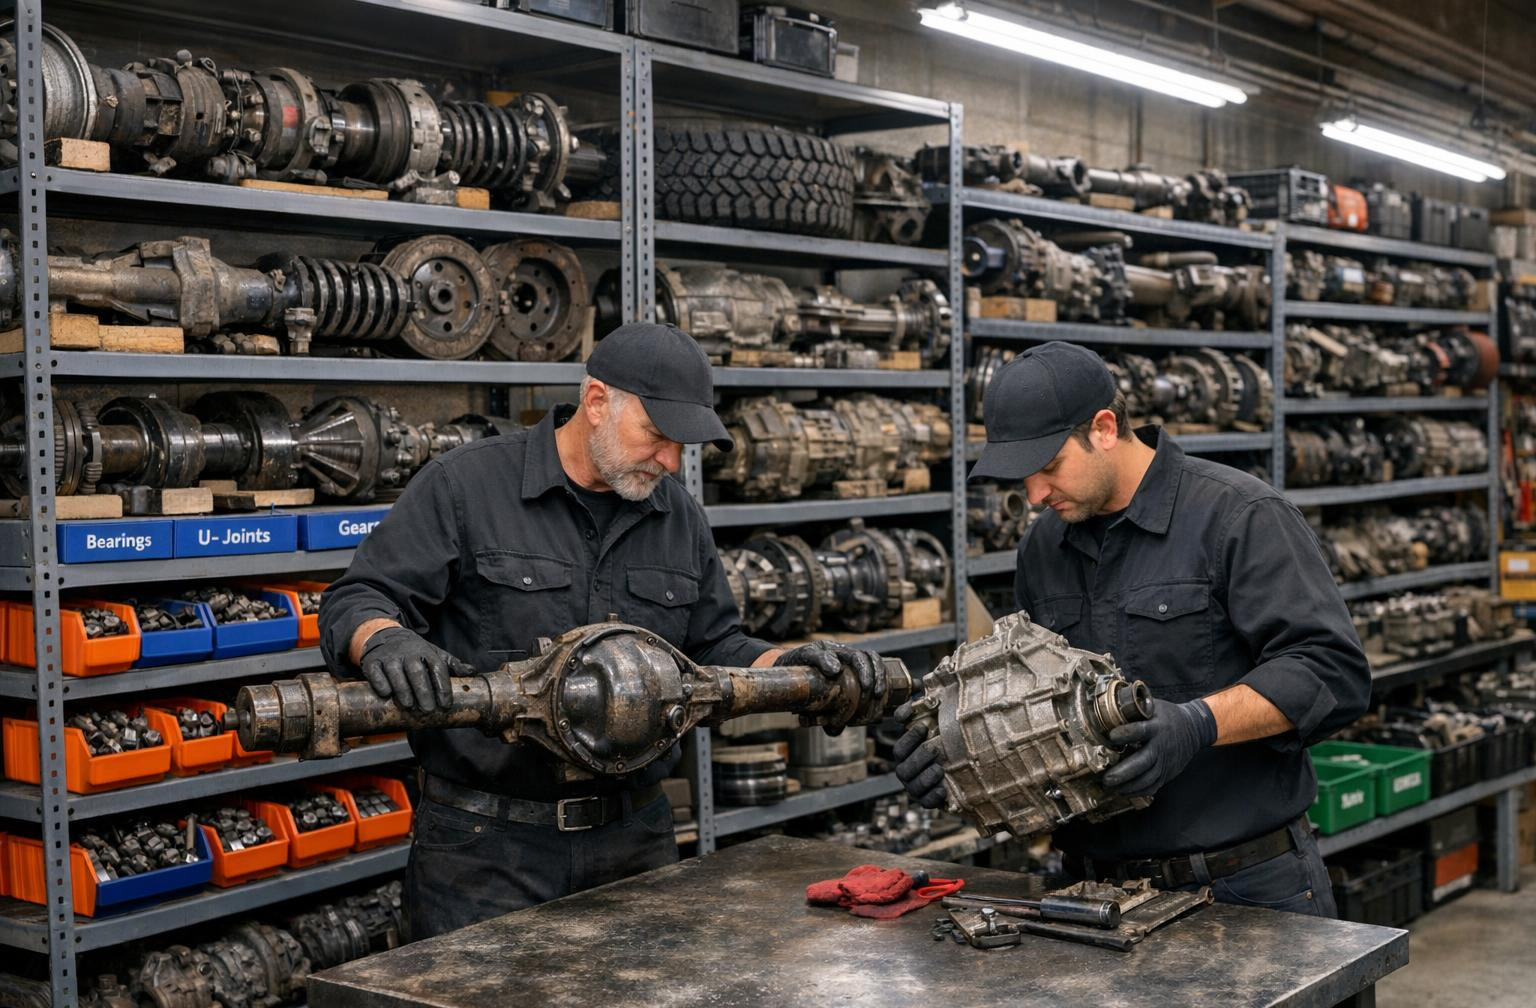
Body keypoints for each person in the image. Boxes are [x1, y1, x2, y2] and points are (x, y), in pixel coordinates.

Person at [320, 322, 881, 939]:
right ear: (595, 402)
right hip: (484, 850)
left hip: (633, 838)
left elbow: (715, 647)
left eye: (681, 446)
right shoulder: (465, 486)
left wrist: (798, 668)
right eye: (657, 437)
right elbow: (359, 597)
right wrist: (383, 637)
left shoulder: (678, 516)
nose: (671, 462)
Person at [895, 341, 1369, 917]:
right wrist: (959, 762)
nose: (1035, 496)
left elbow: (1332, 673)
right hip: (1093, 895)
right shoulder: (1043, 548)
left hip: (1242, 887)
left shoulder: (1239, 515)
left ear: (1103, 428)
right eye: (1023, 478)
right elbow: (1029, 712)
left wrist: (1198, 724)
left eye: (1049, 467)